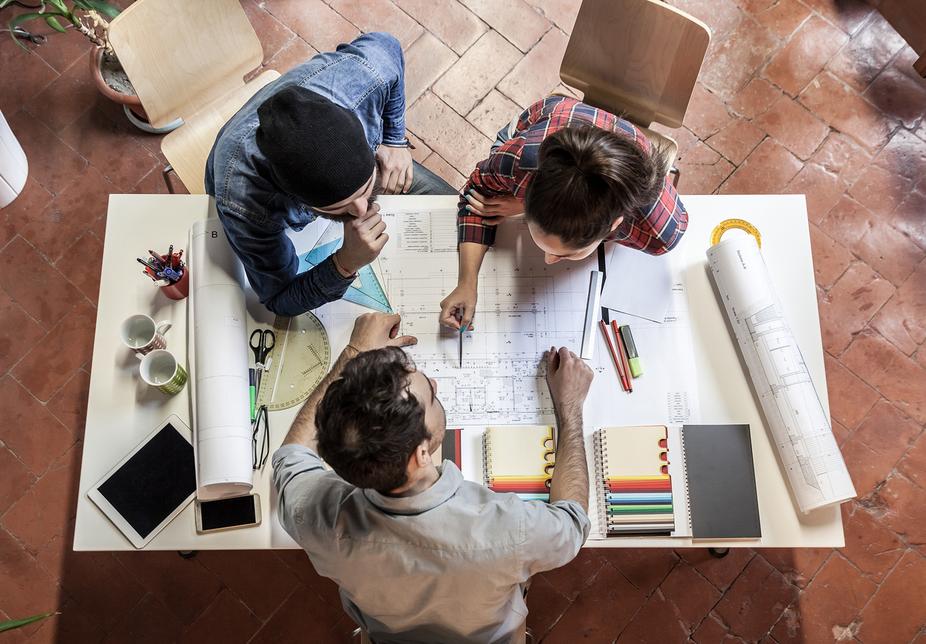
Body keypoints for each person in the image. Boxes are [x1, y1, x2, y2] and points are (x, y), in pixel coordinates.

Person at [272, 312, 593, 643]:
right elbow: (572, 523)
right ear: (422, 453)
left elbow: (289, 457)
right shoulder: (508, 528)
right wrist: (570, 408)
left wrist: (355, 355)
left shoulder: (320, 520)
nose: (436, 384)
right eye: (431, 396)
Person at [206, 32, 455, 317]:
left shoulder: (366, 75)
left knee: (453, 206)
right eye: (341, 206)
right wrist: (345, 263)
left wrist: (394, 139)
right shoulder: (244, 204)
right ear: (297, 199)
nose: (363, 210)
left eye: (365, 188)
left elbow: (389, 46)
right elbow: (279, 299)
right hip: (243, 185)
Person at [439, 95, 688, 330]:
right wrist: (467, 282)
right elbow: (476, 191)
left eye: (567, 253)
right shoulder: (518, 159)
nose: (548, 261)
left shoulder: (659, 233)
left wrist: (520, 205)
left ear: (614, 226)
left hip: (595, 134)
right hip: (553, 116)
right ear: (528, 188)